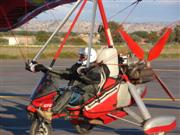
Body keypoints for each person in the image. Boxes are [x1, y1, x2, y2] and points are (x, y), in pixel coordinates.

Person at [27, 47, 102, 122]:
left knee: (68, 93)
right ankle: (41, 108)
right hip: (76, 91)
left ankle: (51, 113)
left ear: (90, 57)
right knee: (56, 92)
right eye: (80, 56)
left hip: (86, 95)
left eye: (83, 57)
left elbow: (93, 79)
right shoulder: (78, 67)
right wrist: (44, 69)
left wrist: (83, 74)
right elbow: (64, 74)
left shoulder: (94, 68)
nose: (80, 58)